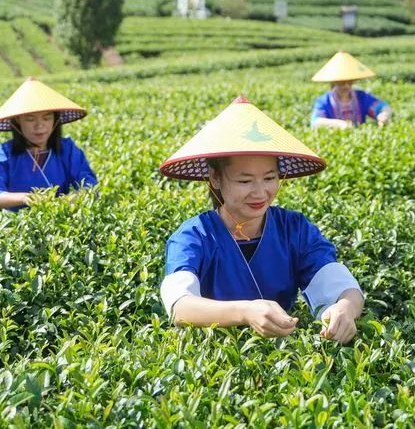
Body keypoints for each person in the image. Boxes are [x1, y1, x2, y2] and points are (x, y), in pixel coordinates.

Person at [159, 95, 364, 344]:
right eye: (245, 181)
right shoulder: (194, 236)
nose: (260, 192)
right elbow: (180, 306)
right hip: (214, 357)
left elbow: (339, 283)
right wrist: (246, 312)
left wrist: (345, 309)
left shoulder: (294, 229)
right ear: (215, 179)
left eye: (269, 178)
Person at [0, 77, 97, 213]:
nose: (39, 126)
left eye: (47, 118)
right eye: (30, 119)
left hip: (61, 220)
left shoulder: (68, 150)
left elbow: (90, 186)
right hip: (17, 226)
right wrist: (27, 198)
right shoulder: (3, 154)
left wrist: (67, 200)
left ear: (55, 120)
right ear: (17, 122)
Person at [310, 50, 391, 129]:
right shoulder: (324, 101)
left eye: (350, 82)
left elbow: (382, 106)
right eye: (341, 82)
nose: (346, 86)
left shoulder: (361, 97)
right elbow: (316, 122)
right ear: (334, 82)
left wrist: (384, 114)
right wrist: (339, 124)